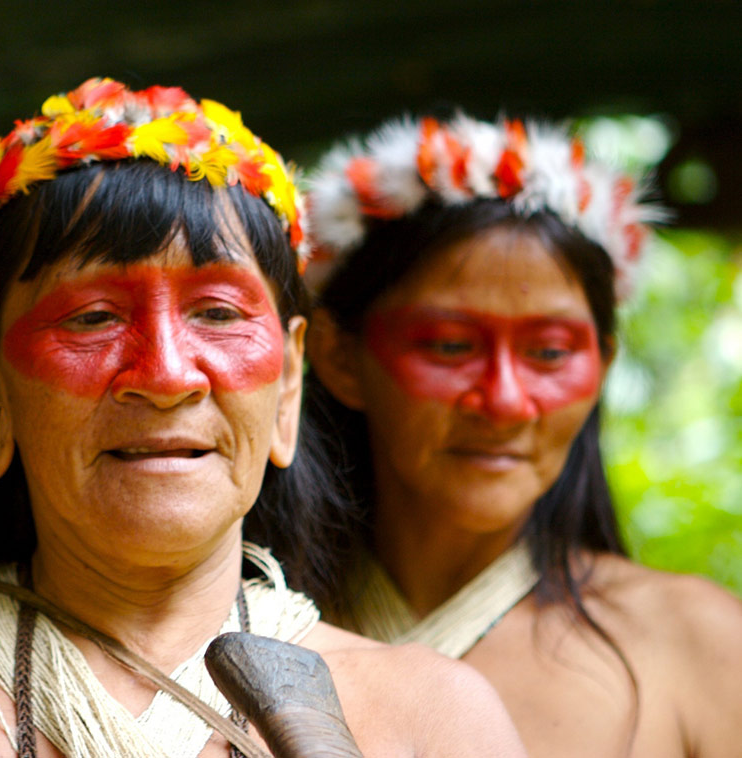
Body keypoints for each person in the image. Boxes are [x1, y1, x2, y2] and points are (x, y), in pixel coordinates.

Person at [0, 80, 525, 757]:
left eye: (217, 313)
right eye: (91, 318)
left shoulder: (434, 721)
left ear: (287, 383)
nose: (167, 375)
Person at [279, 112, 742, 756]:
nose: (504, 401)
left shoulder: (703, 646)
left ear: (602, 364)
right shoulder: (234, 626)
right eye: (448, 345)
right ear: (335, 355)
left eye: (550, 354)